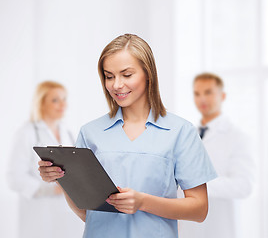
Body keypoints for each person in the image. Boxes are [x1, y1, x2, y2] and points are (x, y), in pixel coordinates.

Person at [38, 34, 217, 238]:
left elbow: (199, 209)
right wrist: (61, 177)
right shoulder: (90, 132)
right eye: (109, 76)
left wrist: (143, 202)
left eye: (127, 74)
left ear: (148, 74)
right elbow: (87, 213)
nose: (116, 85)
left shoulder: (180, 132)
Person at [178, 73, 255, 238]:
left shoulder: (237, 137)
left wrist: (198, 184)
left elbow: (244, 185)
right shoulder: (188, 134)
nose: (202, 99)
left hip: (220, 228)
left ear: (223, 95)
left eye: (208, 92)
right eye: (197, 94)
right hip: (189, 228)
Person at [7, 81, 84, 238]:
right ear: (41, 103)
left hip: (67, 213)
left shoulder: (67, 132)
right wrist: (49, 189)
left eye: (64, 99)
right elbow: (14, 178)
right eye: (55, 100)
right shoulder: (26, 133)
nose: (62, 104)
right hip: (38, 213)